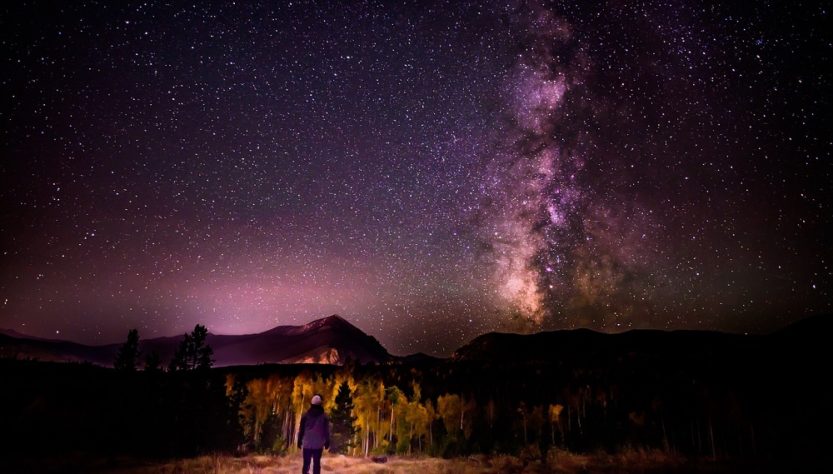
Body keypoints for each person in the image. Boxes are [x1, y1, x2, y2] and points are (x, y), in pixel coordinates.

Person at [298, 394, 330, 474]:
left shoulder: (305, 416)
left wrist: (299, 440)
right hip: (318, 444)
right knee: (316, 463)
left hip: (307, 443)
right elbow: (326, 430)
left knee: (306, 464)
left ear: (311, 404)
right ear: (320, 404)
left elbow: (301, 429)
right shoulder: (324, 417)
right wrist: (327, 441)